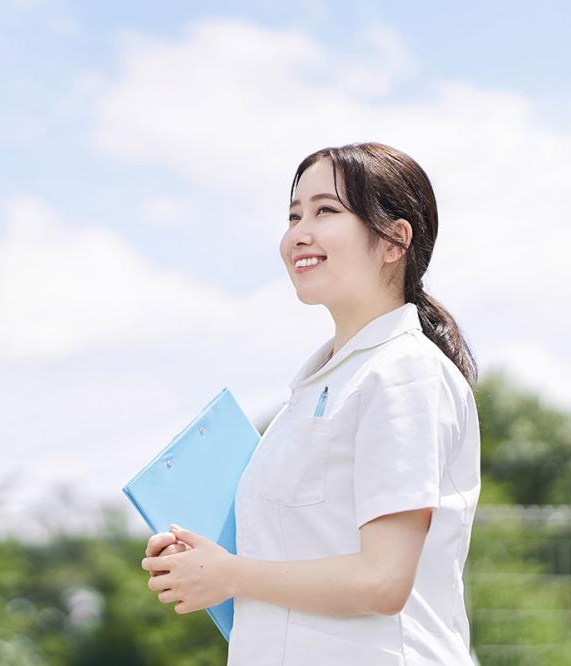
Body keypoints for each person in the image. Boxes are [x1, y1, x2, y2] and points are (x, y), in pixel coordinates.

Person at [140, 142, 481, 665]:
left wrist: (228, 574)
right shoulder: (319, 388)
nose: (299, 231)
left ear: (394, 240)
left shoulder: (404, 371)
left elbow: (382, 580)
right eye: (294, 214)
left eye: (326, 211)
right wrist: (202, 564)